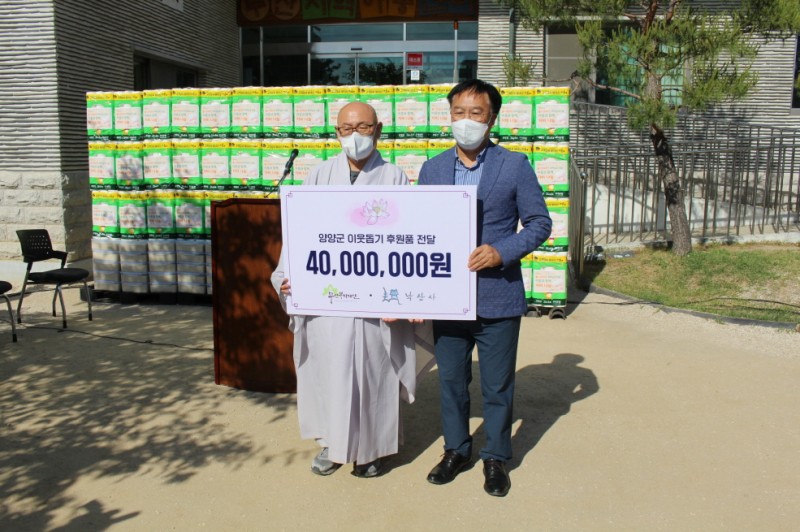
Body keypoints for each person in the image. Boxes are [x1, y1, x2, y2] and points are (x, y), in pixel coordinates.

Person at [270, 102, 427, 478]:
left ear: (379, 129)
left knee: (375, 374)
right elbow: (300, 235)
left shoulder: (394, 178)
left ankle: (373, 450)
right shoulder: (318, 176)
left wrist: (408, 293)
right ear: (336, 132)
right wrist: (288, 277)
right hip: (329, 301)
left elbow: (407, 239)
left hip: (374, 302)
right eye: (346, 128)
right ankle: (333, 444)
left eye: (363, 127)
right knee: (331, 372)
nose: (354, 135)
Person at [417, 79, 552, 497]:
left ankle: (495, 457)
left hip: (497, 295)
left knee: (497, 386)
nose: (466, 120)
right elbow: (419, 229)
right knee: (452, 382)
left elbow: (539, 223)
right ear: (449, 115)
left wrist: (501, 251)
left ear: (492, 118)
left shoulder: (514, 165)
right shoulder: (432, 169)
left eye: (476, 113)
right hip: (448, 298)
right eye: (459, 112)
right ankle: (456, 450)